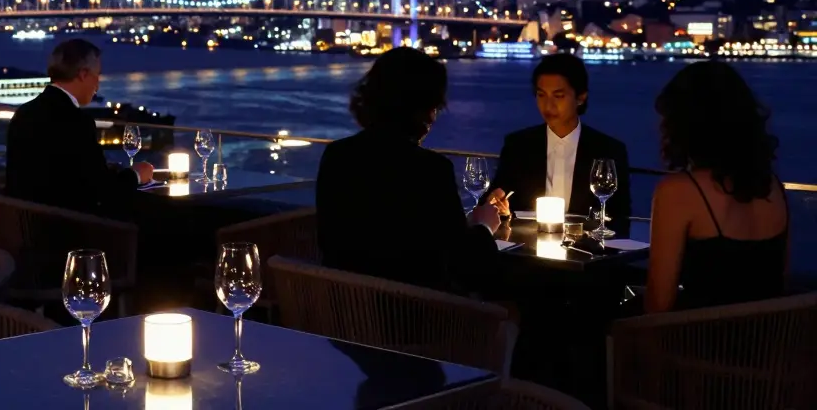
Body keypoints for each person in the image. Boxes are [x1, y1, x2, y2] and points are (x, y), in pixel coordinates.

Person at [316, 47, 500, 293]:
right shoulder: (431, 170)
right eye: (434, 105)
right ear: (423, 107)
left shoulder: (336, 156)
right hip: (417, 323)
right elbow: (465, 266)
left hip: (345, 315)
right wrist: (484, 227)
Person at [645, 62, 788, 313]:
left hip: (702, 345)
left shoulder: (678, 191)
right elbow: (780, 283)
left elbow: (658, 304)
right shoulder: (773, 187)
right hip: (768, 346)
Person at [488, 53, 632, 237]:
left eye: (558, 96)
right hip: (527, 251)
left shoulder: (608, 150)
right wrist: (498, 205)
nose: (548, 105)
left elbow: (621, 219)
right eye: (541, 95)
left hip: (586, 255)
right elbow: (494, 200)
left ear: (580, 97)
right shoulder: (519, 145)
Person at [5, 39, 154, 216]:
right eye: (97, 75)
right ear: (83, 74)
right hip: (67, 230)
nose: (97, 85)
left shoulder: (24, 112)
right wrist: (136, 175)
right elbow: (103, 192)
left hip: (23, 225)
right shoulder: (77, 122)